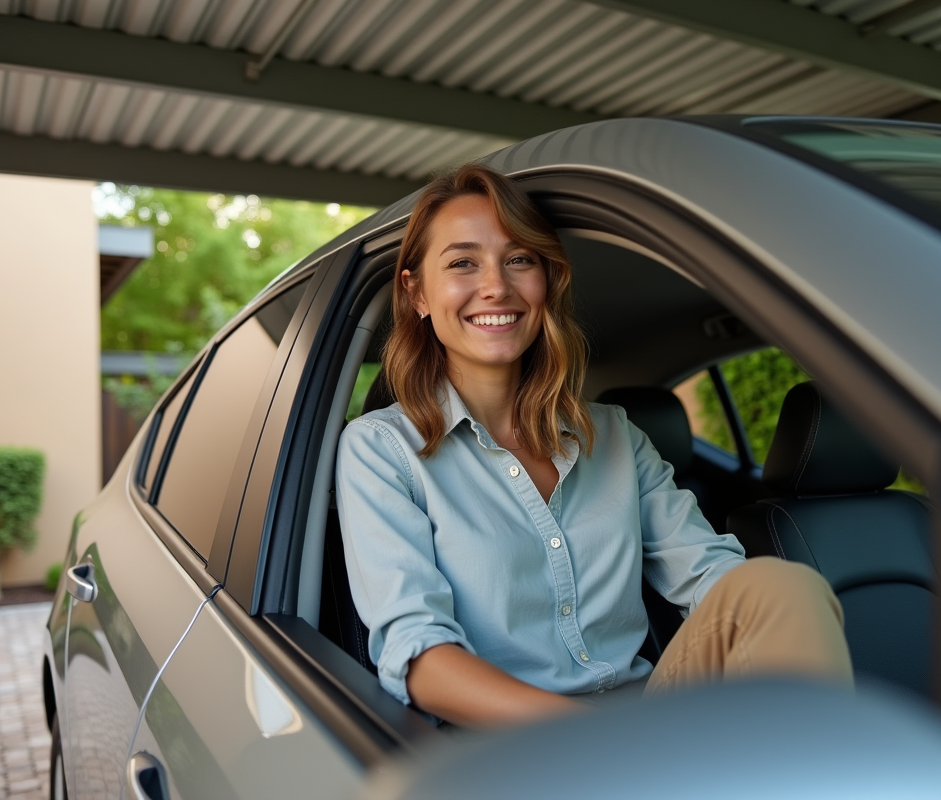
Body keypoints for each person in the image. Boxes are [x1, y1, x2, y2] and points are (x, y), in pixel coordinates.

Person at [335, 164, 852, 728]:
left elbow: (711, 576)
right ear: (416, 293)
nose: (496, 286)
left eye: (520, 259)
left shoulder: (614, 436)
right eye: (462, 262)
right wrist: (589, 737)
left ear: (546, 281)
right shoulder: (381, 451)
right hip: (514, 750)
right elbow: (420, 658)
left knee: (780, 586)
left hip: (648, 724)